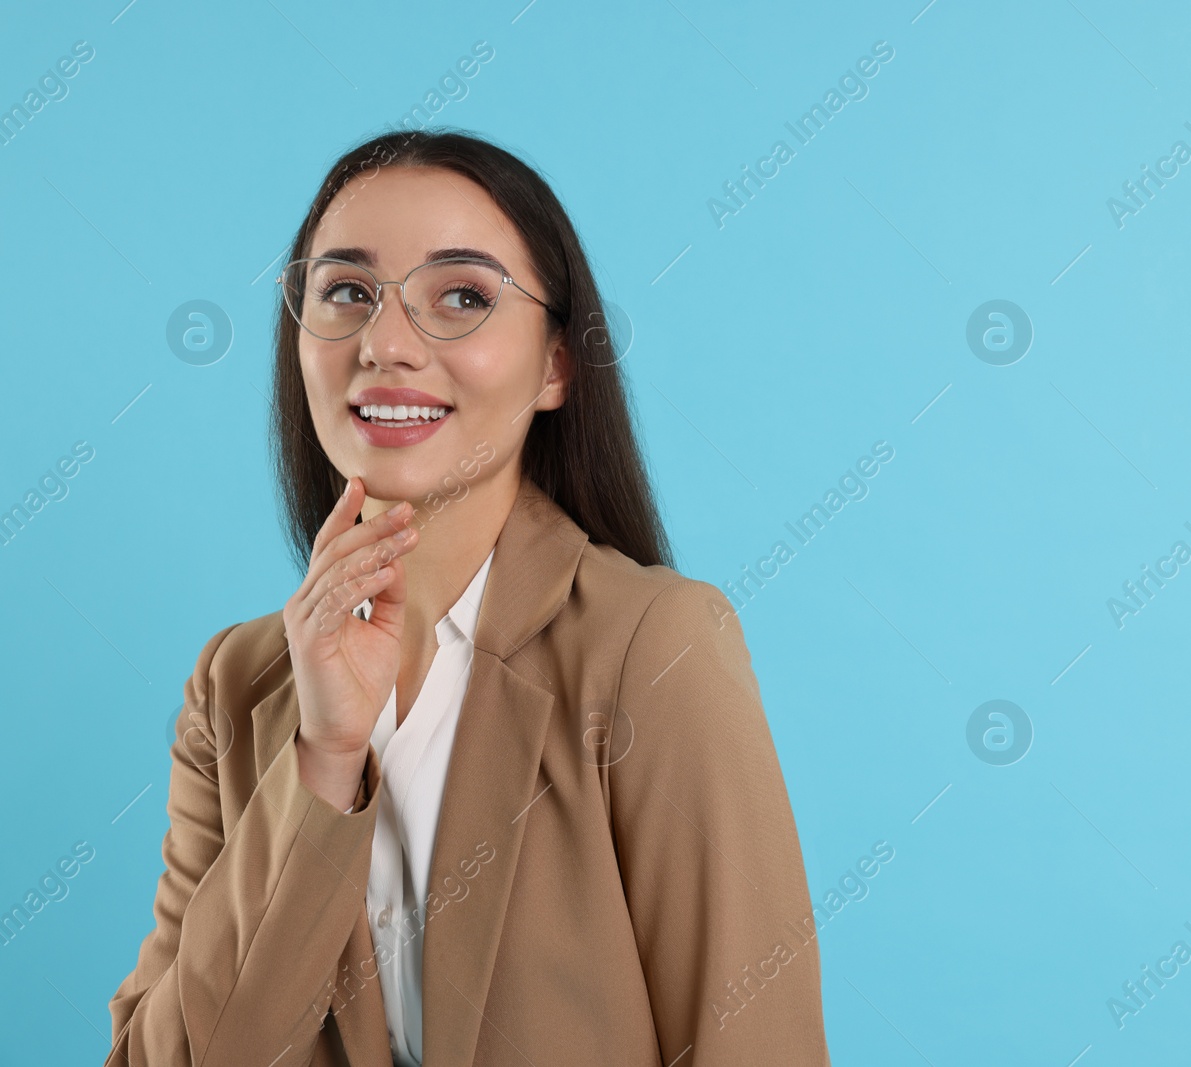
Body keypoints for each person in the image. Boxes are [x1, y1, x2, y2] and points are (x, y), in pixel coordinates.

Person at [103, 129, 829, 1065]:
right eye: (348, 292)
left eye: (462, 297)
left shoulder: (655, 646)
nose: (387, 344)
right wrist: (323, 757)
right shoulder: (236, 682)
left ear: (559, 365)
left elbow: (756, 1043)